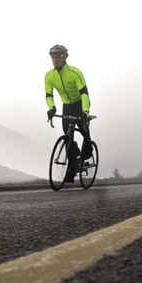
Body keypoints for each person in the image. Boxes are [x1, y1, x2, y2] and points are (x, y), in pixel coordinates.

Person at [45, 44, 92, 182]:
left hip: (79, 104)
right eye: (52, 57)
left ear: (64, 57)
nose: (54, 59)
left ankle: (86, 155)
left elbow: (84, 94)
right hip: (67, 106)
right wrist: (52, 108)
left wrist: (85, 111)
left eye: (57, 56)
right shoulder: (49, 76)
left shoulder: (74, 72)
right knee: (67, 138)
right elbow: (49, 95)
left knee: (85, 134)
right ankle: (71, 170)